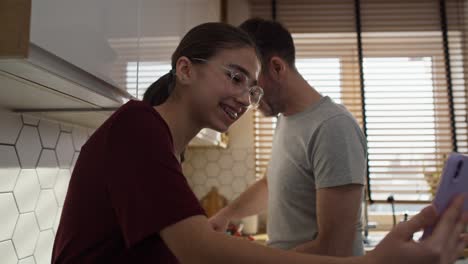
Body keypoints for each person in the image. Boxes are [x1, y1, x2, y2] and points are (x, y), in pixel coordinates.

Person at [51, 22, 467, 264]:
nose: (246, 99)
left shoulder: (155, 139)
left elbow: (335, 247)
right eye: (235, 78)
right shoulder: (140, 129)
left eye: (252, 89)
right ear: (184, 69)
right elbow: (201, 248)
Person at [210, 18, 366, 256]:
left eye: (251, 84)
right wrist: (225, 215)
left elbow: (335, 248)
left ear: (277, 68)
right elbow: (271, 184)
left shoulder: (333, 128)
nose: (244, 97)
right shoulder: (286, 120)